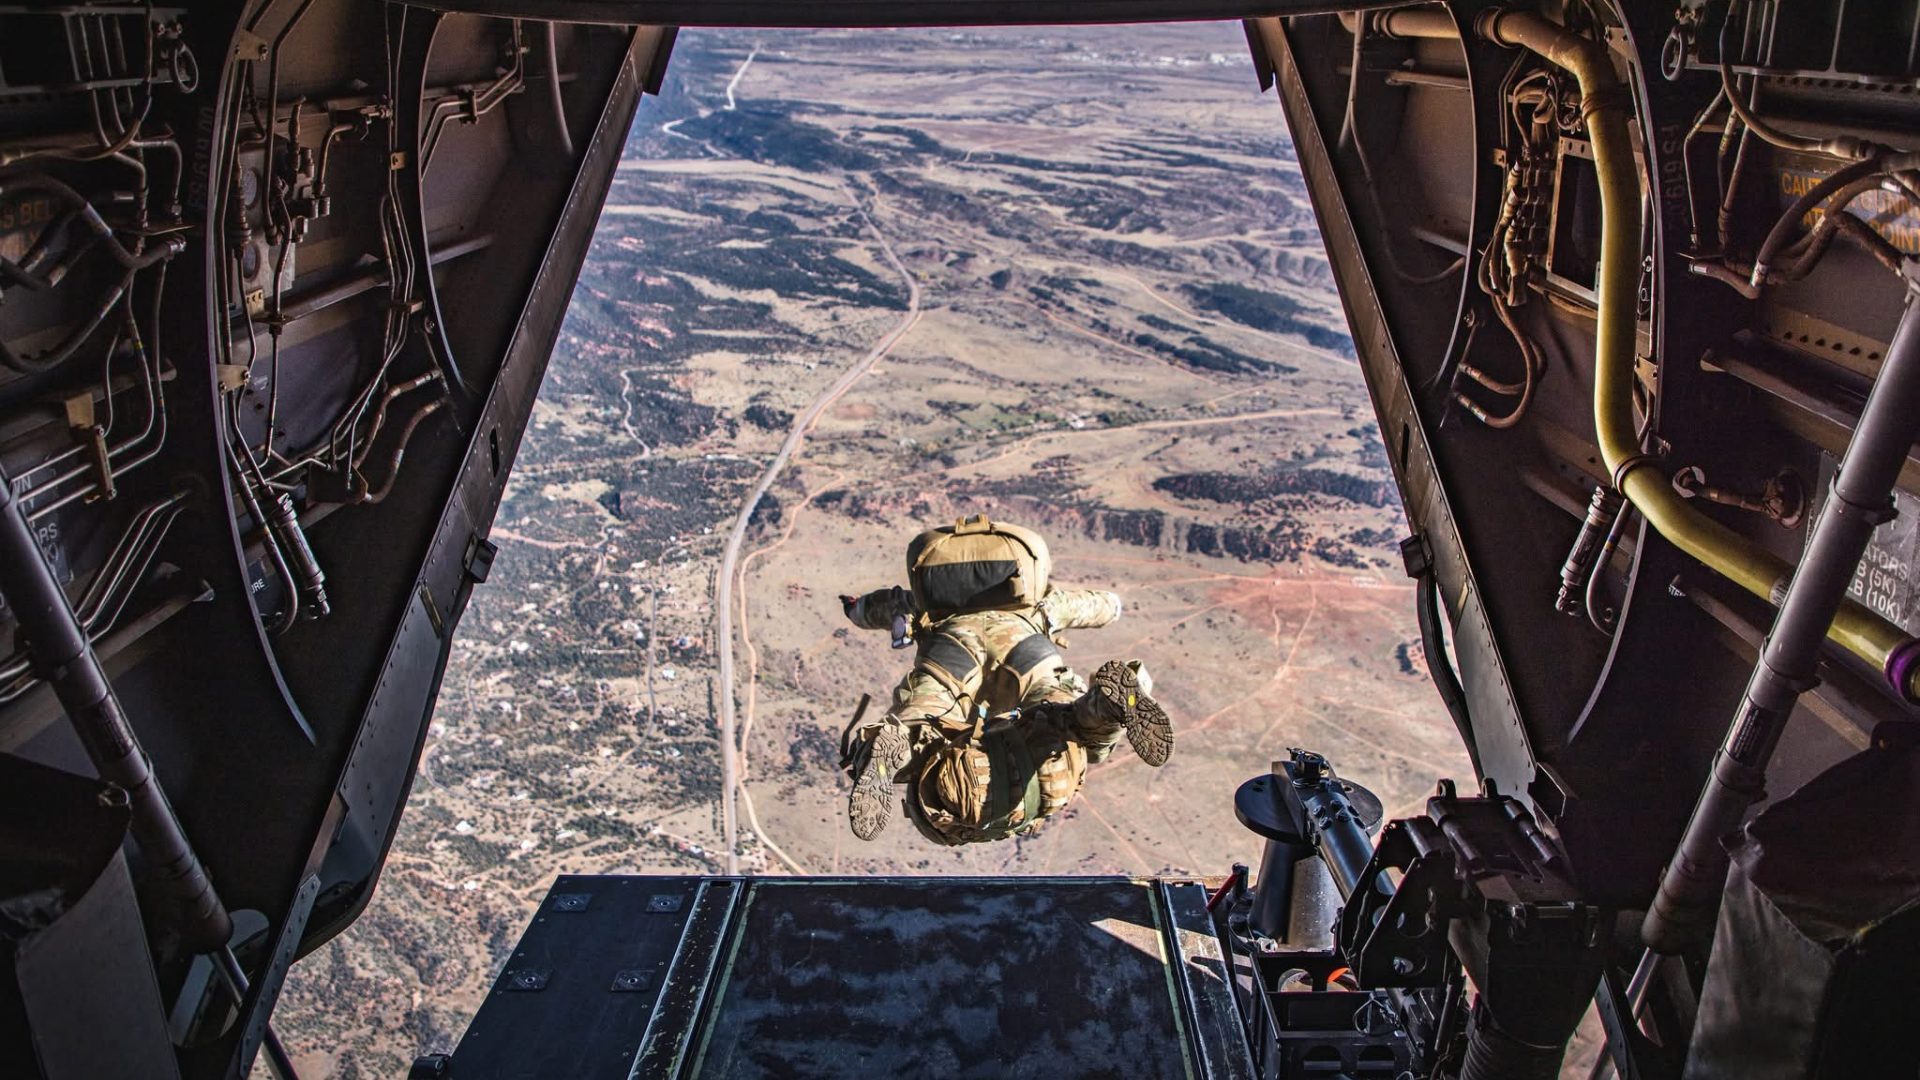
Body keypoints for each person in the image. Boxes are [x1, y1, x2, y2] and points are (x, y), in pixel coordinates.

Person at [836, 515, 1174, 844]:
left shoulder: (919, 602)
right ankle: (1106, 707)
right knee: (1065, 716)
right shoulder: (1045, 601)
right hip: (1027, 646)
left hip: (950, 647)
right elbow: (1105, 606)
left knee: (924, 714)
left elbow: (869, 610)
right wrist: (1112, 605)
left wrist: (853, 607)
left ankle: (893, 745)